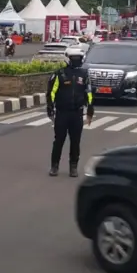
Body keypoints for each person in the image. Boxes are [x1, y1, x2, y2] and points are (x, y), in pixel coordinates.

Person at [46, 46, 95, 177]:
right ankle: (54, 166)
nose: (76, 60)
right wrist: (50, 109)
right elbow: (51, 92)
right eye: (74, 58)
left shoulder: (84, 75)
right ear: (67, 59)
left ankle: (73, 167)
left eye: (78, 58)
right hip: (62, 113)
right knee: (59, 140)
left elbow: (89, 94)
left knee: (75, 141)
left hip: (77, 113)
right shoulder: (59, 74)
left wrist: (90, 112)